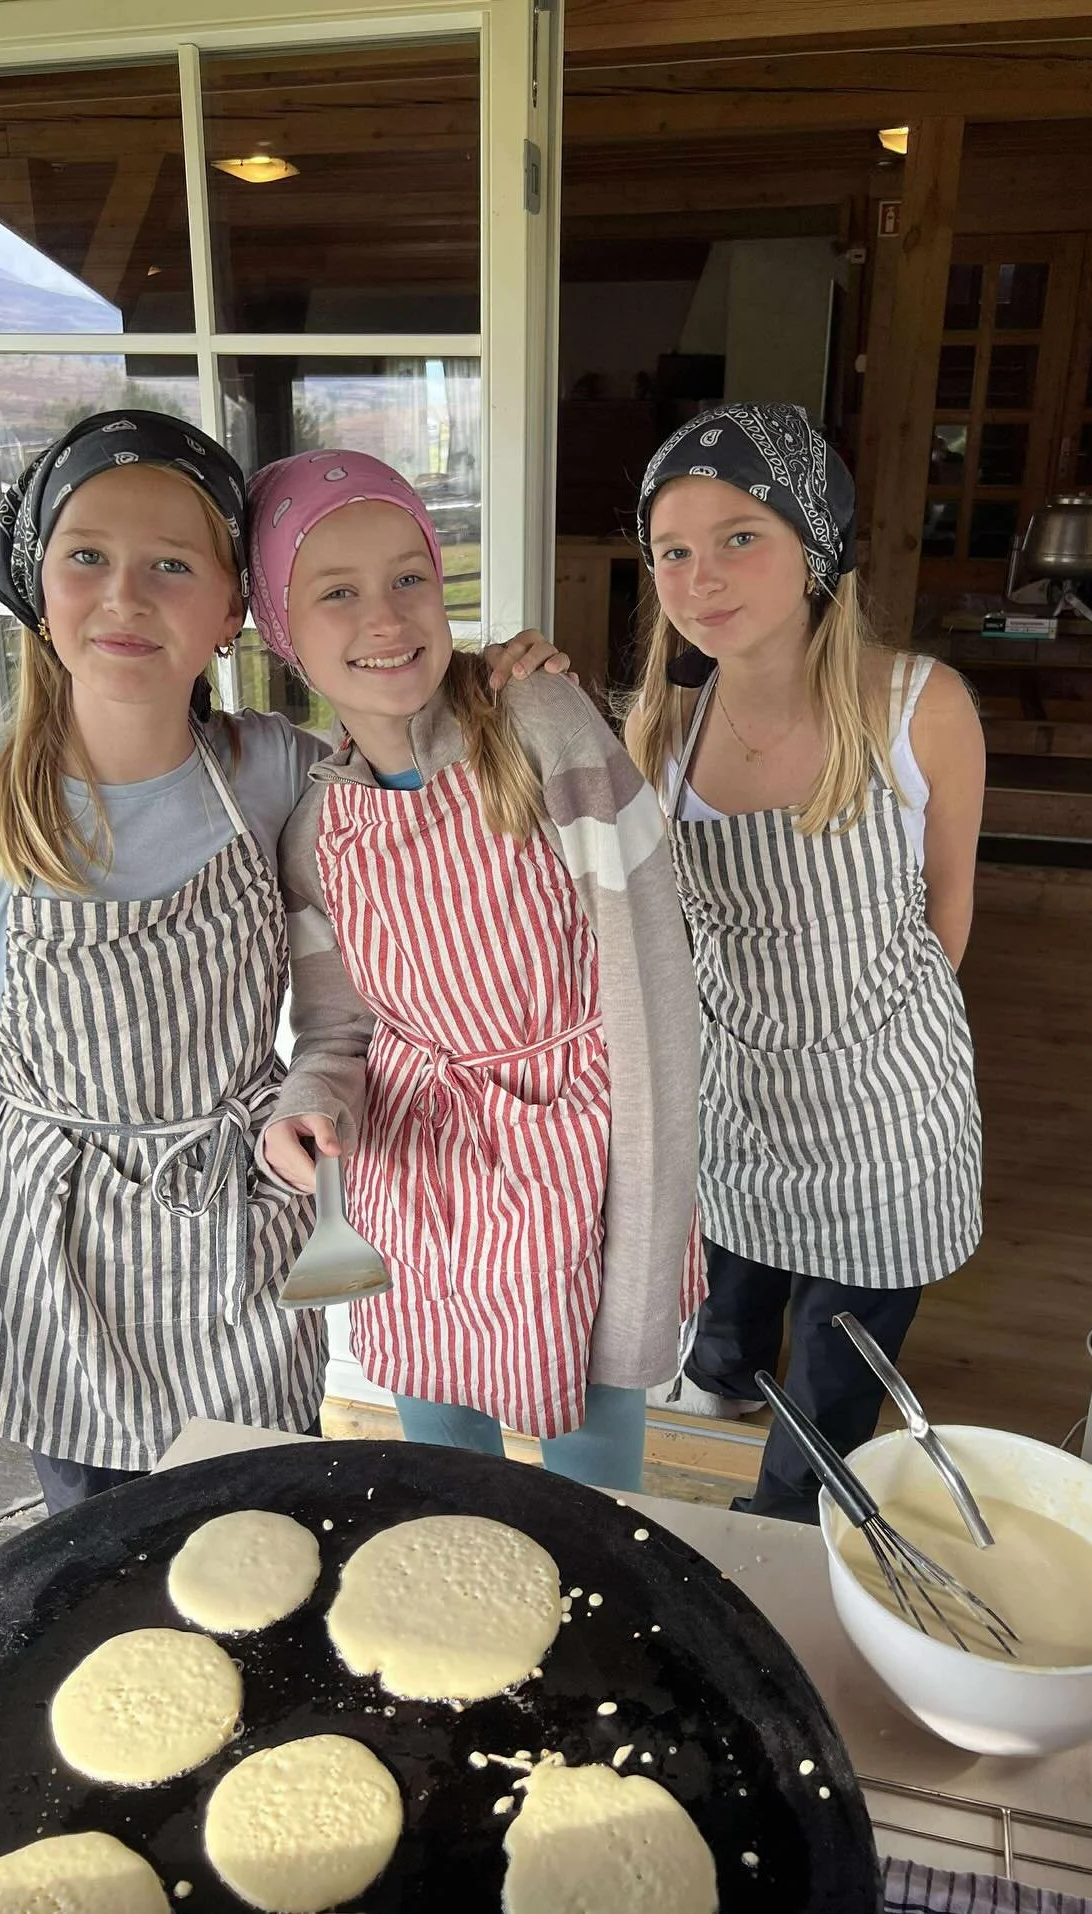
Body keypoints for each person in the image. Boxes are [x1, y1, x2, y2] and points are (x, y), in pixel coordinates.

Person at [0, 412, 563, 1514]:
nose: (125, 595)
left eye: (172, 566)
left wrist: (497, 682)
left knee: (264, 1538)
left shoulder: (274, 770)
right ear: (36, 588)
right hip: (59, 1271)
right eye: (86, 556)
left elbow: (404, 718)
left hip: (240, 1252)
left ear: (236, 612)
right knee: (100, 1569)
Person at [255, 450, 702, 1493]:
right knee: (435, 1478)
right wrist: (309, 1102)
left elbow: (657, 1001)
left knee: (589, 1500)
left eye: (411, 577)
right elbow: (339, 1033)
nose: (387, 617)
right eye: (337, 593)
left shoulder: (543, 728)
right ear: (282, 634)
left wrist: (640, 1270)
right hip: (413, 1181)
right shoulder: (318, 825)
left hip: (579, 1178)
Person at [624, 403, 984, 1523]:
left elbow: (948, 900)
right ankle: (722, 1376)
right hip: (741, 1086)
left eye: (741, 537)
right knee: (734, 1269)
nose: (701, 576)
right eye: (673, 552)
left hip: (886, 1103)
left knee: (838, 1357)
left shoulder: (918, 705)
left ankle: (786, 1527)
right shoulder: (661, 732)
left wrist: (874, 1036)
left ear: (814, 547)